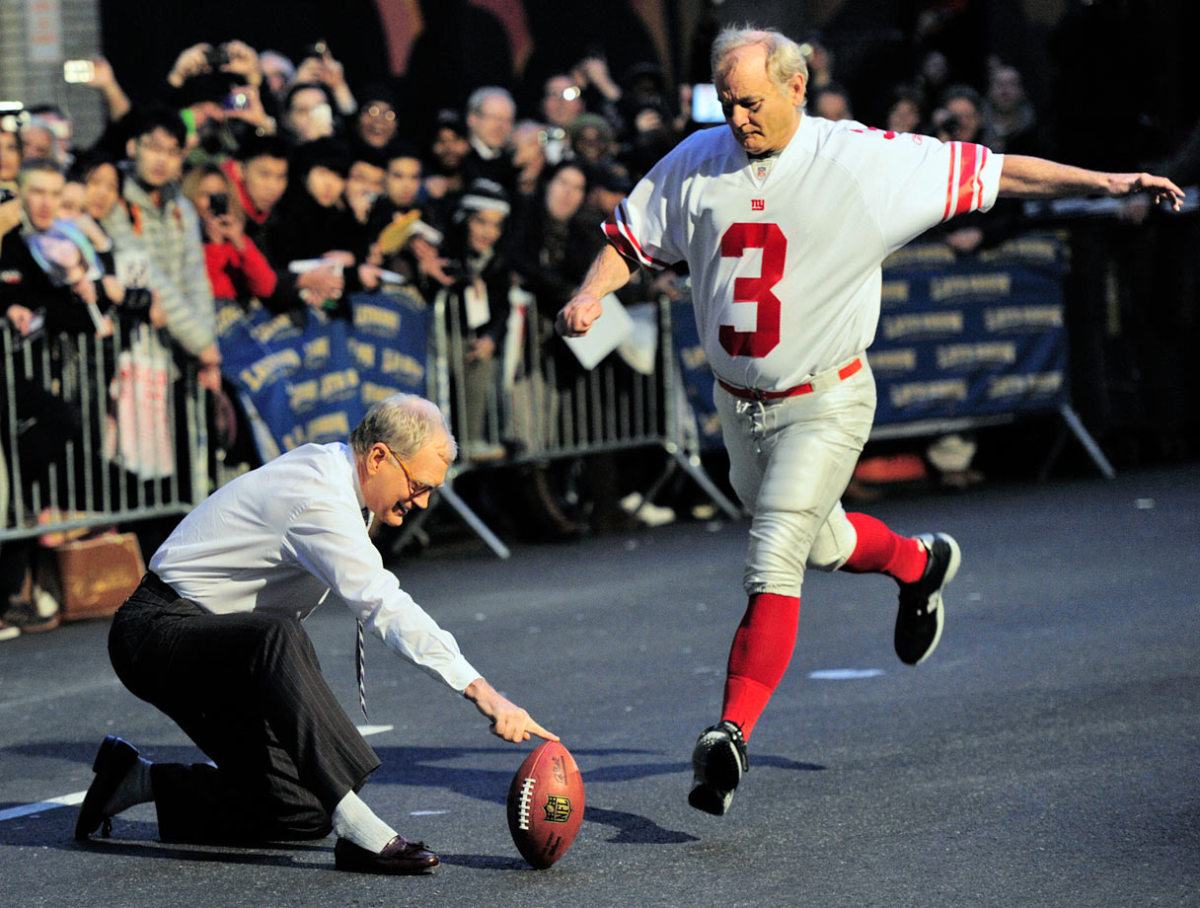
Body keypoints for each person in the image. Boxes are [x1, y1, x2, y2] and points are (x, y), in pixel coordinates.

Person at [557, 25, 1185, 817]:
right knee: (820, 541)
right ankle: (917, 565)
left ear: (796, 87)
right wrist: (590, 293)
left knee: (774, 554)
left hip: (825, 397)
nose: (738, 117)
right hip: (737, 404)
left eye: (751, 101)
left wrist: (1101, 182)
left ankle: (729, 735)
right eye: (726, 102)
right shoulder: (698, 157)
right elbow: (628, 235)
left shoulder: (862, 158)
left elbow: (997, 173)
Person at [75, 393, 555, 873]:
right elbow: (383, 604)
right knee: (277, 636)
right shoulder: (318, 496)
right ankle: (359, 829)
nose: (425, 501)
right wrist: (484, 693)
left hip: (221, 649)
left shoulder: (343, 483)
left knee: (303, 808)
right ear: (379, 457)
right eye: (418, 484)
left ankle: (135, 782)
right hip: (155, 633)